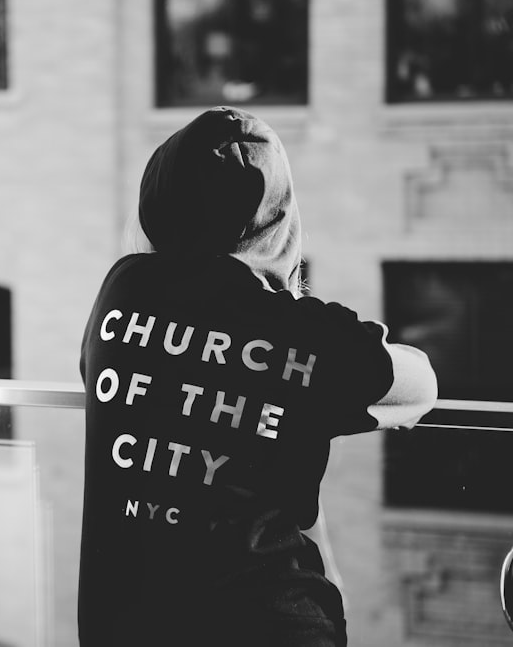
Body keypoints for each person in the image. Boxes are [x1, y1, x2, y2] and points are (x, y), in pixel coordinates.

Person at [77, 106, 437, 646]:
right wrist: (315, 334)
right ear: (278, 220)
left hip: (124, 626)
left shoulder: (122, 292)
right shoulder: (299, 333)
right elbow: (420, 384)